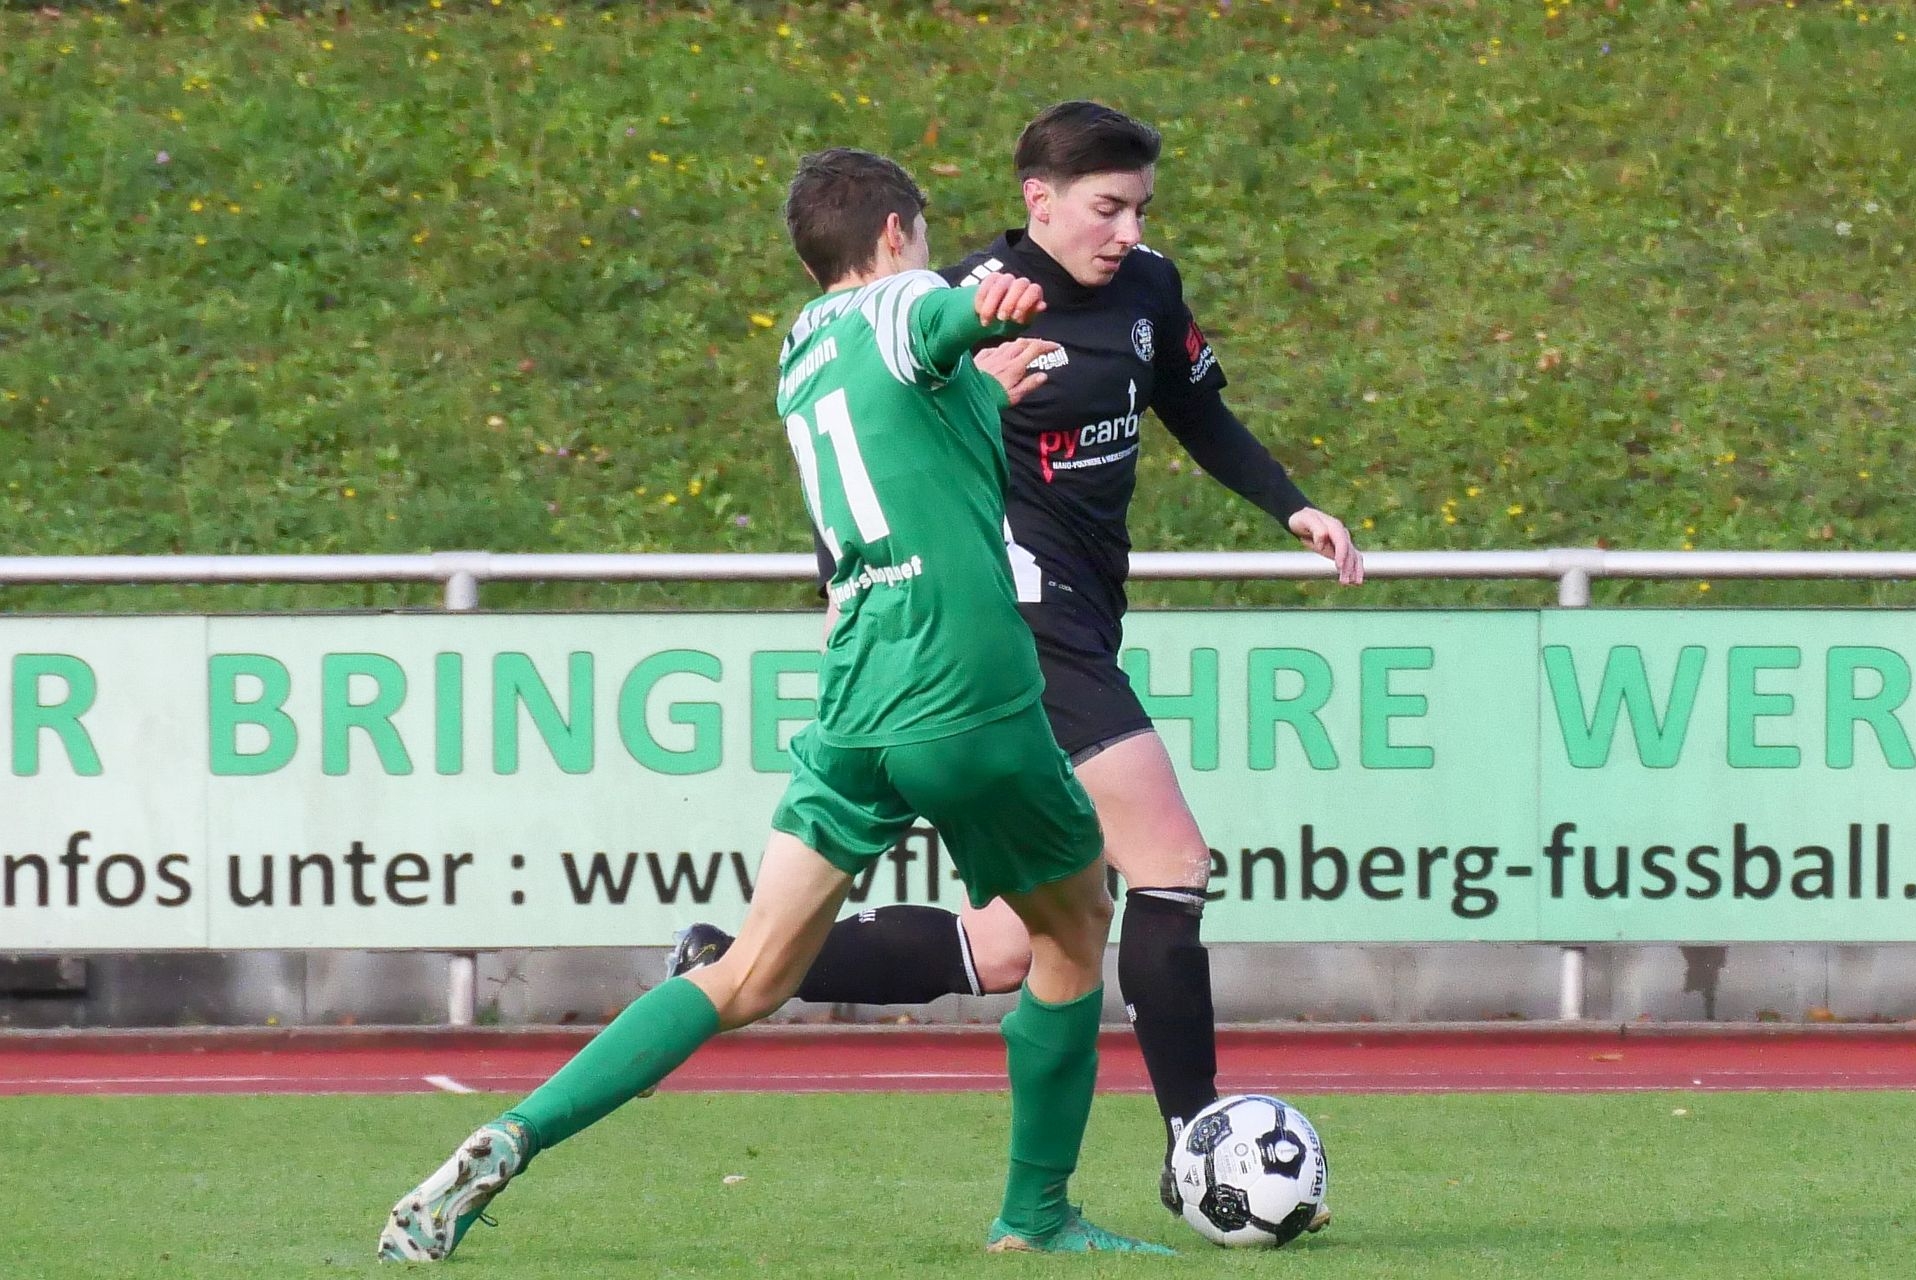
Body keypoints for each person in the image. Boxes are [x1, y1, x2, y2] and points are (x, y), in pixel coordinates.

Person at [376, 147, 1175, 1262]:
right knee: (1078, 924)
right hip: (962, 680)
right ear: (894, 233)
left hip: (856, 689)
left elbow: (907, 440)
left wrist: (983, 389)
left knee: (748, 969)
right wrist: (983, 308)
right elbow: (933, 318)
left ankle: (515, 1134)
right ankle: (1035, 1216)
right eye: (925, 234)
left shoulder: (805, 348)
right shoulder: (907, 302)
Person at [668, 102, 1364, 1221]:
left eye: (1140, 207)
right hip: (1021, 622)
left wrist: (1293, 506)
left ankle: (724, 961)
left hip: (1085, 615)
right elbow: (870, 446)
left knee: (1006, 943)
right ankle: (1197, 1144)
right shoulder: (958, 300)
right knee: (1171, 862)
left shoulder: (1149, 288)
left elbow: (1197, 411)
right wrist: (846, 579)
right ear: (1039, 199)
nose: (1130, 230)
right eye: (1107, 207)